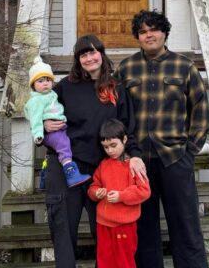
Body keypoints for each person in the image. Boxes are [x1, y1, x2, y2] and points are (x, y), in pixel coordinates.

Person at [45, 35, 148, 268]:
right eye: (83, 54)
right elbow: (40, 109)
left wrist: (135, 155)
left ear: (101, 54)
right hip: (66, 165)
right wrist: (42, 126)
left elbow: (127, 126)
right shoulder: (64, 88)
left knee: (104, 231)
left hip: (103, 169)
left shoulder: (116, 88)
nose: (89, 58)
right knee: (63, 228)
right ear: (78, 59)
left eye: (93, 52)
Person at [118, 10, 209, 268]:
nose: (149, 35)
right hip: (137, 163)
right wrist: (125, 152)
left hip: (175, 159)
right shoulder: (126, 68)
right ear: (138, 36)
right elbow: (116, 113)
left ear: (164, 33)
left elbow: (200, 109)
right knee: (143, 228)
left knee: (185, 225)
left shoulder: (184, 66)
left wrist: (190, 150)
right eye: (143, 32)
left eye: (154, 30)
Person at [88, 119, 151, 268]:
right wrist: (97, 193)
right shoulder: (103, 165)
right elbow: (93, 187)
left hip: (125, 225)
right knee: (105, 261)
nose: (110, 150)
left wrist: (122, 196)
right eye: (105, 147)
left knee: (124, 261)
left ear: (124, 139)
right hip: (103, 224)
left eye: (113, 145)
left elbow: (144, 191)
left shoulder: (133, 165)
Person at [23, 56, 91, 187]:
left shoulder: (51, 95)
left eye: (48, 80)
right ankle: (71, 173)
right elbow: (35, 119)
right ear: (33, 85)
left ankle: (44, 179)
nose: (45, 83)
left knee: (64, 145)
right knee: (64, 147)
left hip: (60, 128)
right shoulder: (36, 101)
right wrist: (38, 134)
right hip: (52, 131)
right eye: (40, 81)